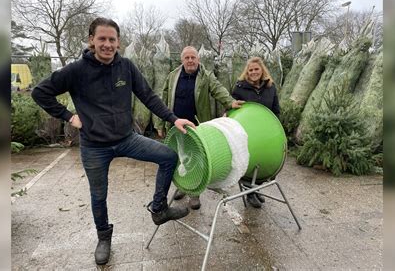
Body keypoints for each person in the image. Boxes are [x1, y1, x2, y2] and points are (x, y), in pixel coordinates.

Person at [31, 17, 194, 266]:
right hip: (94, 146)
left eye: (112, 39)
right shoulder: (76, 70)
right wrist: (68, 116)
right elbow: (40, 91)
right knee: (99, 196)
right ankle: (104, 237)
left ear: (118, 42)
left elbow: (148, 96)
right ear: (91, 40)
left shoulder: (126, 67)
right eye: (102, 39)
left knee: (168, 156)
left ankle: (159, 209)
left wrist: (173, 119)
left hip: (127, 138)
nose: (107, 44)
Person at [155, 46, 244, 210]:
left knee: (197, 159)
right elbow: (163, 98)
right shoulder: (173, 76)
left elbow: (218, 89)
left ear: (198, 59)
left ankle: (194, 194)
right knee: (177, 157)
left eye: (193, 57)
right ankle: (181, 186)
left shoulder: (206, 76)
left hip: (196, 126)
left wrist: (230, 102)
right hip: (176, 126)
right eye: (187, 58)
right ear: (182, 60)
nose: (190, 61)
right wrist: (159, 123)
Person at [231, 56, 280, 208]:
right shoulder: (239, 88)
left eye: (256, 69)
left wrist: (276, 128)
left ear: (262, 70)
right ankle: (249, 193)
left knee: (262, 161)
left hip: (265, 133)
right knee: (249, 161)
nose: (253, 72)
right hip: (246, 132)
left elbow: (275, 110)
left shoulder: (270, 87)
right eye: (250, 70)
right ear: (247, 71)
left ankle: (256, 189)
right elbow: (232, 108)